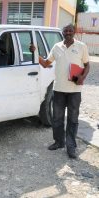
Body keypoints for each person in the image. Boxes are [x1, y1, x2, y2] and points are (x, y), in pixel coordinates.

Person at [30, 24, 90, 159]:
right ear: (62, 32)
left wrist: (82, 76)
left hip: (75, 90)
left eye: (70, 30)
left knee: (73, 120)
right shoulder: (57, 47)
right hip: (59, 89)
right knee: (57, 118)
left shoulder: (81, 46)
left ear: (74, 32)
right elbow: (46, 64)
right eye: (66, 31)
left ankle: (71, 147)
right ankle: (58, 142)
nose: (68, 32)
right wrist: (35, 52)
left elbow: (87, 65)